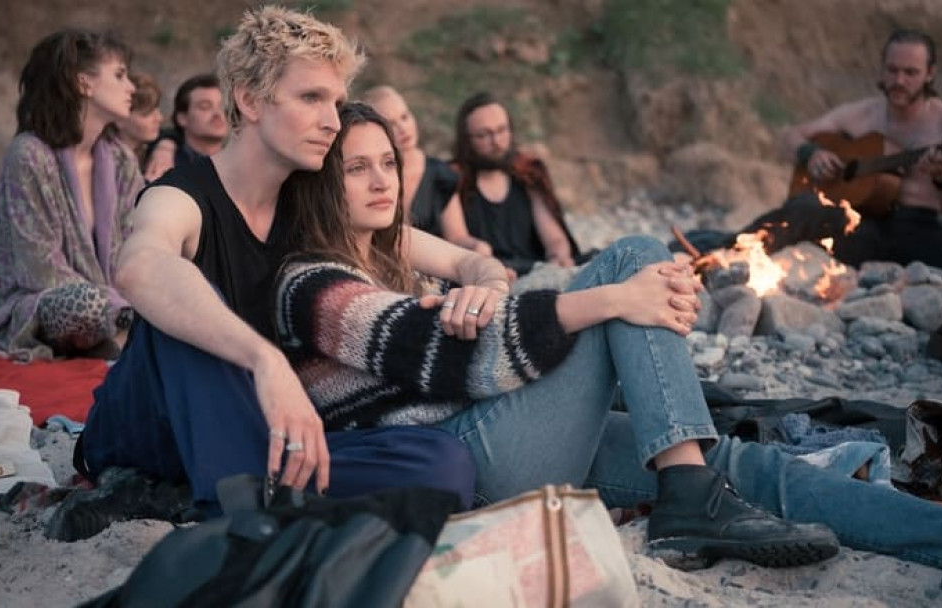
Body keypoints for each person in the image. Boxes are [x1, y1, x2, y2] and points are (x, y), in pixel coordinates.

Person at [273, 100, 942, 572]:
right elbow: (464, 364)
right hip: (472, 457)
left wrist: (487, 284)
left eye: (387, 163)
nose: (383, 180)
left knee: (735, 463)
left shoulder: (387, 248)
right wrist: (617, 299)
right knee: (630, 258)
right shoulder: (310, 284)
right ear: (320, 181)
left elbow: (483, 270)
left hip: (511, 431)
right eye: (356, 168)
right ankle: (686, 492)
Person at [77, 6, 488, 519]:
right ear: (249, 100)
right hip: (151, 426)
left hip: (255, 433)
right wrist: (264, 360)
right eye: (311, 98)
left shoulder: (308, 207)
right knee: (191, 302)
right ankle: (236, 499)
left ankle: (236, 493)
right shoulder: (182, 196)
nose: (332, 121)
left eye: (336, 102)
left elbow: (461, 259)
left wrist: (485, 286)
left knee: (441, 464)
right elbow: (140, 266)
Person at [749, 28, 942, 310]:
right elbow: (789, 137)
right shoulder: (862, 114)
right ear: (881, 70)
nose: (899, 81)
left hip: (919, 229)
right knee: (803, 208)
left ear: (930, 74)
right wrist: (811, 154)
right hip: (860, 223)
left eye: (910, 72)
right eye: (892, 70)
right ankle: (725, 250)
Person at [0, 30, 141, 358]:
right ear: (83, 83)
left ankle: (122, 338)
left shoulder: (122, 160)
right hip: (45, 304)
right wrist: (118, 306)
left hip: (121, 302)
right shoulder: (29, 155)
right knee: (86, 305)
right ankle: (125, 337)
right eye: (120, 75)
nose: (131, 86)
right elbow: (40, 269)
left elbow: (137, 245)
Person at [440, 92, 588, 276]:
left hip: (533, 269)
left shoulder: (528, 172)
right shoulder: (452, 177)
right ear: (466, 140)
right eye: (483, 135)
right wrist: (477, 250)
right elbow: (456, 237)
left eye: (502, 130)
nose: (496, 142)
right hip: (487, 272)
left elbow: (554, 237)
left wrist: (558, 256)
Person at [363, 85, 458, 237]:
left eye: (404, 117)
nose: (403, 128)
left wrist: (478, 246)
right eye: (391, 124)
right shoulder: (370, 178)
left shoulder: (440, 174)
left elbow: (458, 236)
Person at [142, 73, 229, 181]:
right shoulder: (165, 164)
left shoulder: (238, 161)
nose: (218, 114)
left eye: (223, 106)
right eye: (205, 107)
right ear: (182, 118)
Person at [112, 71, 164, 179]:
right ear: (119, 119)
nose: (159, 118)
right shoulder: (111, 160)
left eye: (157, 110)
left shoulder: (147, 151)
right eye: (147, 113)